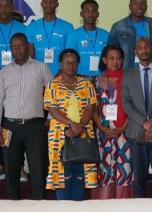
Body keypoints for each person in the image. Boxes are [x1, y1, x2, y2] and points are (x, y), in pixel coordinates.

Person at [0, 33, 54, 200]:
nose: (17, 49)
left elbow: (54, 96)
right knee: (11, 172)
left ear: (28, 46)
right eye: (14, 46)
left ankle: (39, 206)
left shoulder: (41, 67)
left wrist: (48, 121)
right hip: (9, 127)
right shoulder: (4, 72)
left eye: (20, 45)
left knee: (38, 171)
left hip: (35, 127)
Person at [44, 49, 98, 201]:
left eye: (74, 62)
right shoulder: (52, 84)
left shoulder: (86, 83)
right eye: (67, 62)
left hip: (83, 133)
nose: (70, 65)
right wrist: (72, 124)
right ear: (60, 64)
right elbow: (53, 110)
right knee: (63, 177)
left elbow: (91, 107)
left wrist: (79, 126)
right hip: (60, 135)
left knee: (79, 176)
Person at [121, 38, 152, 198]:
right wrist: (144, 122)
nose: (143, 50)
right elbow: (126, 103)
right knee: (139, 180)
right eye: (139, 48)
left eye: (146, 46)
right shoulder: (128, 75)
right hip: (136, 132)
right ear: (135, 52)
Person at [92, 45, 133, 199]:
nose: (115, 61)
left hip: (125, 131)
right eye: (111, 58)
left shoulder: (129, 78)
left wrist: (124, 126)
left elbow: (134, 105)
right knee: (104, 167)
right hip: (103, 132)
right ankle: (104, 203)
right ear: (104, 60)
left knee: (125, 168)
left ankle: (123, 205)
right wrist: (100, 127)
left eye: (118, 58)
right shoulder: (96, 81)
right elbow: (93, 107)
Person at [108, 0, 152, 70]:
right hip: (127, 71)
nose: (139, 6)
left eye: (142, 3)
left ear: (146, 7)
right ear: (129, 6)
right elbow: (110, 52)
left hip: (151, 70)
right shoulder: (118, 27)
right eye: (135, 3)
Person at [26, 0, 74, 75]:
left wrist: (59, 76)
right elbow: (31, 57)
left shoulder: (67, 27)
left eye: (52, 1)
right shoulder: (31, 27)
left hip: (62, 75)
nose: (48, 5)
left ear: (57, 4)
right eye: (45, 1)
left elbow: (70, 56)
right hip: (38, 75)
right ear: (41, 4)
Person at [65, 0, 109, 79]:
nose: (90, 14)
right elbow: (69, 59)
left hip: (102, 78)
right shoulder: (73, 35)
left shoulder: (106, 35)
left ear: (98, 14)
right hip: (80, 77)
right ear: (81, 14)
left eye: (94, 11)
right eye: (86, 11)